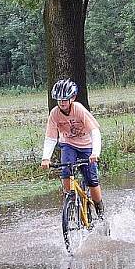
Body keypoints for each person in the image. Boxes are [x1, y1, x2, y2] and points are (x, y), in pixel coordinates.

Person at [40, 78, 105, 218]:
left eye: (65, 99)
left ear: (72, 98)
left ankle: (100, 211)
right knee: (66, 172)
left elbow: (95, 131)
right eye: (59, 100)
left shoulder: (79, 109)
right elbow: (51, 137)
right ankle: (71, 202)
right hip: (68, 145)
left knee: (92, 181)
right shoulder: (54, 114)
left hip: (86, 146)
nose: (62, 103)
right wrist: (46, 158)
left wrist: (95, 153)